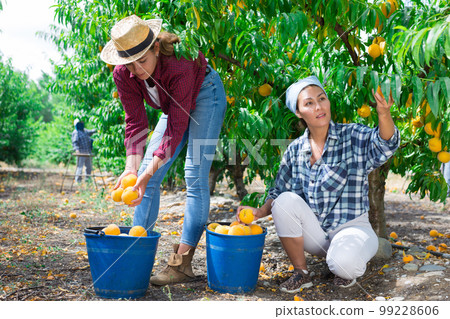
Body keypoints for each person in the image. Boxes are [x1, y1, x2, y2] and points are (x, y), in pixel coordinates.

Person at [237, 75, 400, 293]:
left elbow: (384, 145)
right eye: (309, 103)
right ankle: (301, 273)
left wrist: (384, 113)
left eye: (322, 99)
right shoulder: (295, 150)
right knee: (284, 201)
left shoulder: (350, 135)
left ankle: (355, 254)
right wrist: (259, 212)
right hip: (316, 233)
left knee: (343, 266)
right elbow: (278, 192)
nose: (318, 107)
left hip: (351, 227)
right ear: (298, 112)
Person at [100, 15, 226, 285]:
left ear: (156, 48)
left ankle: (182, 264)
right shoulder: (124, 73)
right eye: (129, 63)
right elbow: (135, 122)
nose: (136, 69)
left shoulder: (179, 65)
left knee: (194, 173)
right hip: (174, 107)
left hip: (205, 93)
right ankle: (136, 251)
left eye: (142, 61)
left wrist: (144, 174)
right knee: (145, 178)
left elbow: (176, 129)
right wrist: (132, 169)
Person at [72, 119, 96, 183]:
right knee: (80, 167)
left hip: (88, 152)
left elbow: (90, 132)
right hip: (81, 152)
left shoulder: (84, 131)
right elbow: (75, 142)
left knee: (89, 167)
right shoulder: (76, 132)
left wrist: (97, 130)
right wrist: (77, 150)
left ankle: (87, 180)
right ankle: (78, 181)